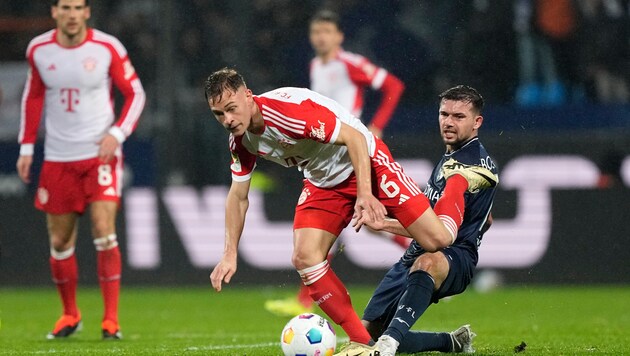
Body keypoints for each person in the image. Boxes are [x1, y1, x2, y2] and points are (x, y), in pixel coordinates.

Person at [205, 69, 497, 355]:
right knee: (305, 257)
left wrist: (365, 194)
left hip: (368, 162)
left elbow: (355, 139)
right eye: (219, 114)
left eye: (231, 109)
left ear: (248, 96)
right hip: (324, 183)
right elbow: (238, 196)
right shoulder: (240, 141)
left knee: (437, 240)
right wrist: (230, 253)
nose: (228, 120)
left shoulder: (288, 114)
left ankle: (474, 218)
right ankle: (363, 343)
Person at [265, 9, 408, 318]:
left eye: (327, 31)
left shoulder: (350, 64)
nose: (321, 37)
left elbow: (394, 86)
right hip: (326, 155)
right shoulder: (316, 66)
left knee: (356, 222)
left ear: (339, 36)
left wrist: (378, 125)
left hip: (351, 151)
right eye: (316, 32)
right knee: (363, 224)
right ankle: (424, 256)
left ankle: (430, 257)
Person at [16, 0, 145, 340]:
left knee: (104, 232)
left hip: (98, 157)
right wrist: (27, 146)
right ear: (54, 11)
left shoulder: (107, 47)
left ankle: (111, 320)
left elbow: (135, 93)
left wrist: (116, 134)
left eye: (78, 7)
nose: (72, 14)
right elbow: (34, 96)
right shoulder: (39, 50)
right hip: (58, 158)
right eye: (65, 7)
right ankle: (70, 314)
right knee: (60, 242)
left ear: (87, 12)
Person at [355, 86, 498, 355]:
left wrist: (465, 231)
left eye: (459, 116)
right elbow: (434, 224)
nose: (448, 122)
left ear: (477, 122)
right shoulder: (450, 157)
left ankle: (389, 344)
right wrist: (383, 222)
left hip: (455, 256)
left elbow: (443, 232)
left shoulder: (471, 165)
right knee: (366, 332)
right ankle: (452, 342)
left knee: (428, 261)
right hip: (417, 251)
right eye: (444, 114)